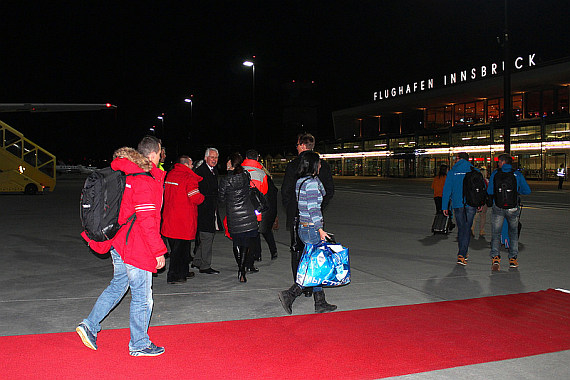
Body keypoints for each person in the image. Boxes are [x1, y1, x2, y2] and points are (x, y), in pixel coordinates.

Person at [77, 136, 167, 356]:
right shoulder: (143, 180)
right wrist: (158, 251)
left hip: (119, 242)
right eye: (161, 153)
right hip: (136, 246)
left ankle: (89, 325)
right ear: (154, 154)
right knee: (143, 296)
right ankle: (139, 344)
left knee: (118, 285)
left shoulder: (125, 172)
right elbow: (147, 221)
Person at [278, 151, 337, 314]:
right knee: (315, 267)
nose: (320, 165)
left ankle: (320, 302)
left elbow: (323, 193)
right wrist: (320, 229)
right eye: (318, 163)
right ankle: (290, 294)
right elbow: (313, 208)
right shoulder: (311, 183)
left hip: (303, 227)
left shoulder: (303, 181)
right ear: (313, 165)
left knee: (315, 265)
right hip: (312, 228)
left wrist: (316, 180)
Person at [161, 155, 204, 284]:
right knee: (179, 250)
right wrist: (203, 197)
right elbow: (195, 197)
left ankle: (184, 271)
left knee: (180, 248)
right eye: (191, 164)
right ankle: (174, 275)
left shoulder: (170, 175)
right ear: (186, 165)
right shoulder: (188, 177)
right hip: (183, 221)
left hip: (170, 218)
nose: (192, 167)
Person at [219, 153, 259, 283]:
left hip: (234, 215)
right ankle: (242, 270)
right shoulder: (245, 176)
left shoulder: (225, 180)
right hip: (247, 213)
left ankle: (241, 269)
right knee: (246, 244)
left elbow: (221, 198)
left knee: (236, 242)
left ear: (231, 163)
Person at [487, 154, 531, 270]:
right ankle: (513, 259)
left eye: (499, 162)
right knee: (513, 233)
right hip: (513, 207)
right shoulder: (517, 174)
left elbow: (490, 191)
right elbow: (527, 190)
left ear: (502, 162)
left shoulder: (495, 174)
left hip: (498, 207)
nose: (498, 164)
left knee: (496, 233)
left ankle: (495, 257)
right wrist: (516, 191)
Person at [441, 152, 482, 266]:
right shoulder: (475, 171)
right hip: (471, 204)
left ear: (459, 159)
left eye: (455, 158)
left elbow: (447, 190)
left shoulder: (452, 172)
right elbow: (479, 189)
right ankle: (462, 253)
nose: (454, 160)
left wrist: (445, 206)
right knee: (467, 228)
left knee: (461, 228)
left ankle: (462, 253)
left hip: (458, 204)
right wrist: (479, 203)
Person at [193, 148, 222, 274]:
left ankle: (197, 260)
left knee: (206, 237)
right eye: (212, 157)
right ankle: (205, 265)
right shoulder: (201, 172)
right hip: (204, 210)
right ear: (206, 158)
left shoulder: (213, 171)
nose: (214, 160)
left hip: (210, 209)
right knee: (207, 236)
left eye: (216, 157)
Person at [242, 149, 268, 270]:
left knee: (242, 236)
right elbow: (264, 191)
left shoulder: (239, 170)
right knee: (253, 236)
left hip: (241, 208)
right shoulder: (261, 173)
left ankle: (241, 262)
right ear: (257, 158)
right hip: (255, 210)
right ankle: (249, 263)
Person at [471, 167, 489, 237]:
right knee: (483, 215)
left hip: (476, 199)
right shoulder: (486, 181)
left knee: (475, 215)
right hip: (484, 200)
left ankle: (472, 228)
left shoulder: (476, 180)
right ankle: (481, 230)